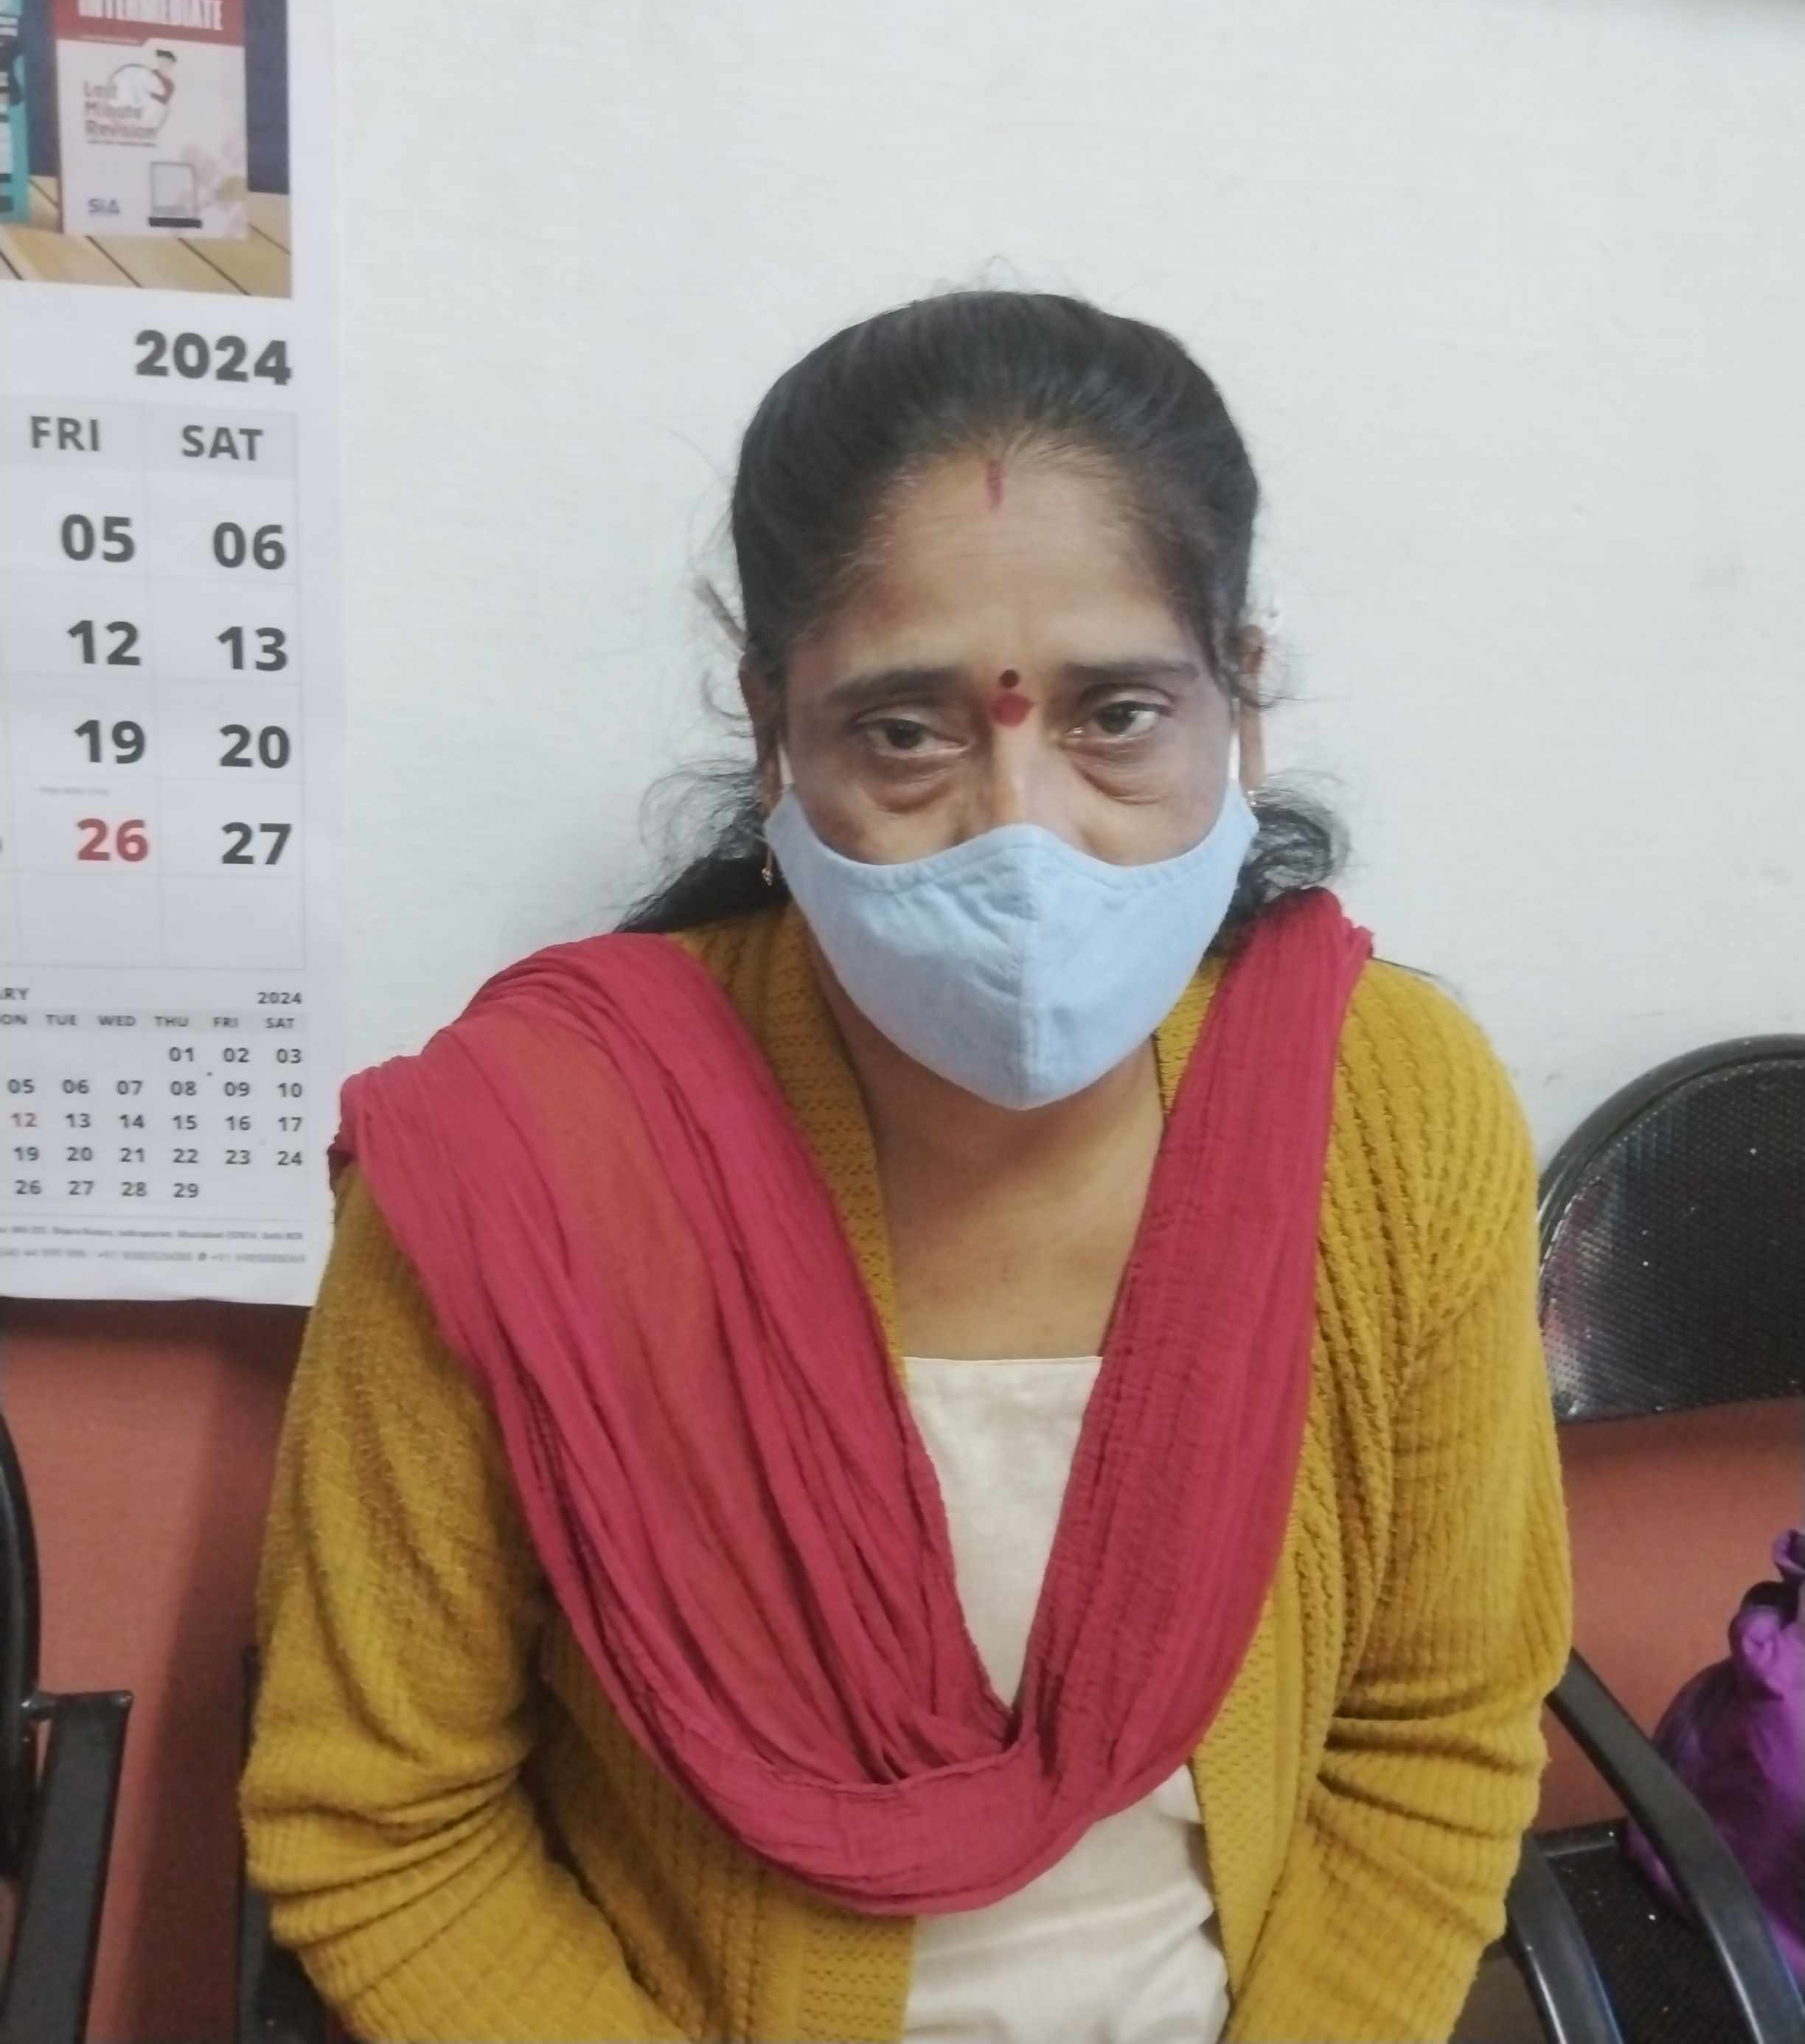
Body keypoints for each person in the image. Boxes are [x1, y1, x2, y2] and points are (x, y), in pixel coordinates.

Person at [242, 290, 1573, 2044]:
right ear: (773, 727)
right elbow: (383, 1827)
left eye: (1117, 716)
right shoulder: (529, 1168)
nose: (1024, 833)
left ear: (1239, 707)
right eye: (904, 733)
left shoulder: (1392, 1113)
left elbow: (1432, 1734)